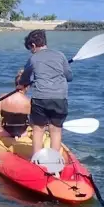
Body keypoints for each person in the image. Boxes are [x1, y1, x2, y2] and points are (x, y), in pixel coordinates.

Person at [16, 29, 72, 158]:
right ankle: (55, 160)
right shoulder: (60, 55)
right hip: (60, 98)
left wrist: (22, 84)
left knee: (38, 129)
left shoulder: (33, 58)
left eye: (31, 48)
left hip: (40, 98)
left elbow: (25, 78)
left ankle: (36, 159)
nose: (31, 51)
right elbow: (69, 77)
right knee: (56, 130)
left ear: (34, 45)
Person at [0, 69, 32, 138]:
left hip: (4, 132)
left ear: (15, 84)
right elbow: (34, 122)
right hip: (22, 133)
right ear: (27, 87)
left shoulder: (3, 97)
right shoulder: (30, 101)